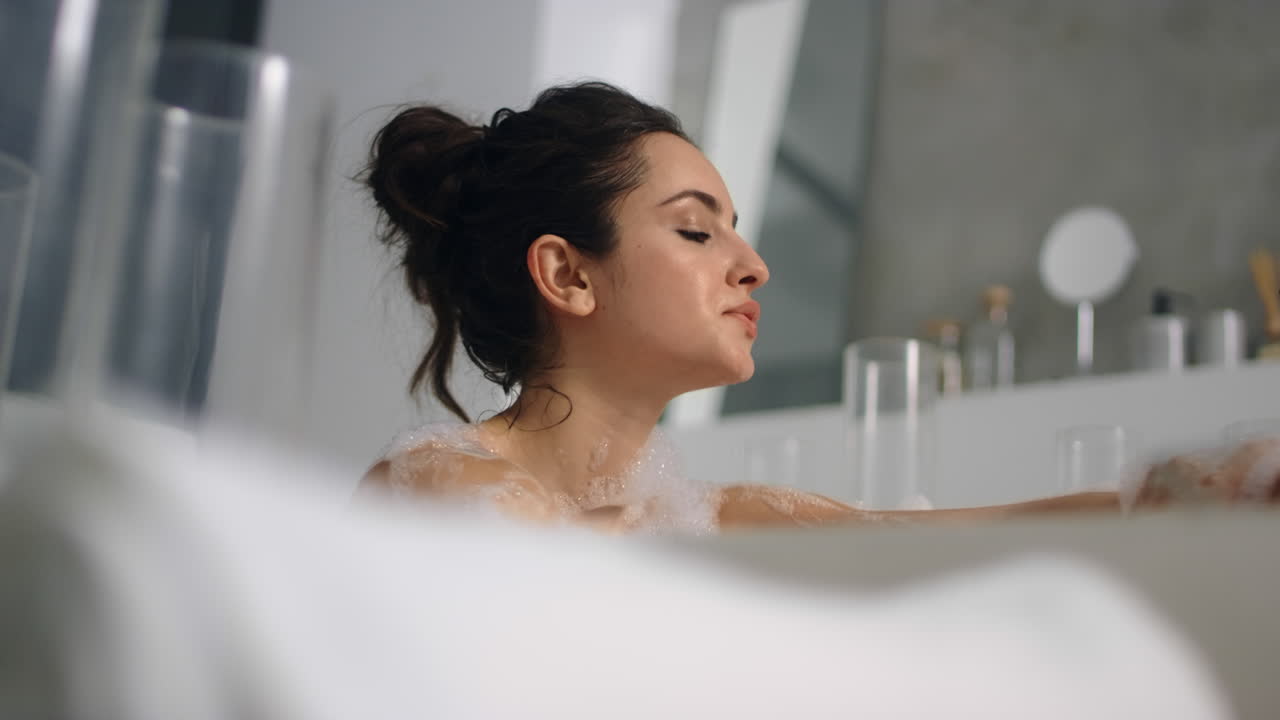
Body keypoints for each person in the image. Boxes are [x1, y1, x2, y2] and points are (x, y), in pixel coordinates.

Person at [357, 81, 1277, 533]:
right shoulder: (438, 486)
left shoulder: (700, 511)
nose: (752, 266)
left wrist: (1180, 495)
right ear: (568, 275)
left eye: (739, 232)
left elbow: (934, 536)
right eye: (694, 231)